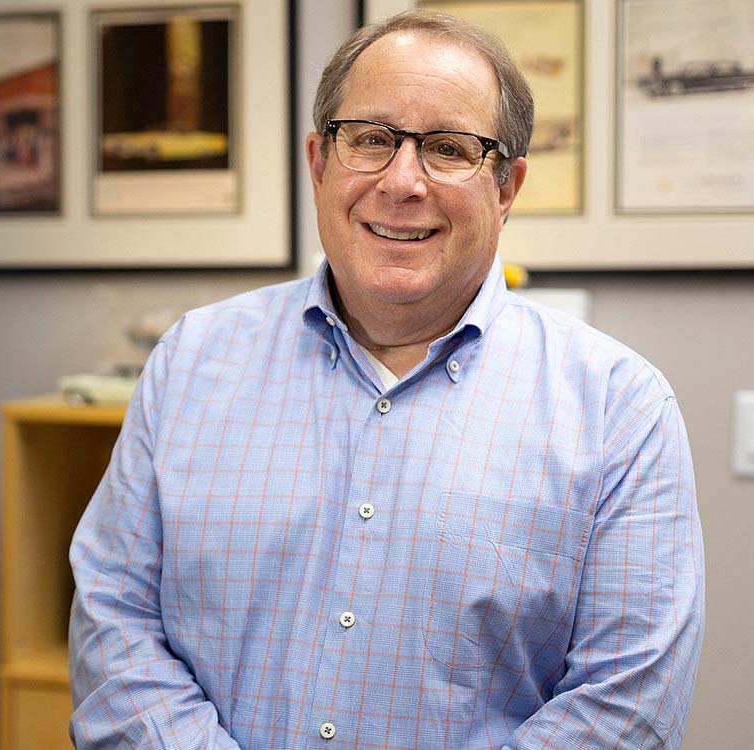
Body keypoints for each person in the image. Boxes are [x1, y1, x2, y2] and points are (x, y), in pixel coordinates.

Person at [67, 10, 704, 750]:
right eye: (370, 139)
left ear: (507, 188)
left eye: (448, 148)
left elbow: (624, 707)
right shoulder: (191, 362)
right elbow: (114, 623)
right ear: (318, 163)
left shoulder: (620, 410)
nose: (402, 182)